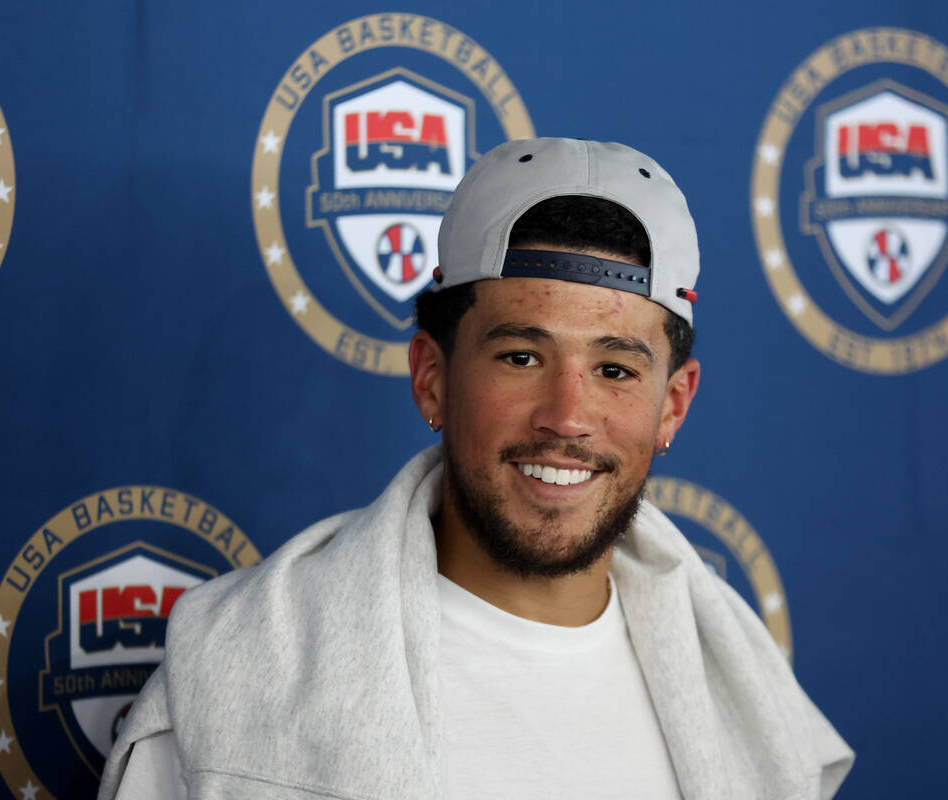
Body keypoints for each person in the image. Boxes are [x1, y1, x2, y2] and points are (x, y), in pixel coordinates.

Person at [99, 138, 853, 799]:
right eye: (521, 357)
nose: (566, 415)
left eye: (617, 369)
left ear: (673, 407)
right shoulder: (235, 670)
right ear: (433, 376)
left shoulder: (756, 703)